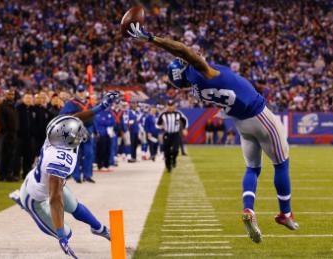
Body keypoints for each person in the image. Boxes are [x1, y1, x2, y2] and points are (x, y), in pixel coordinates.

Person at [127, 23, 298, 243]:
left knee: (253, 169)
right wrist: (152, 39)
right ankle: (285, 213)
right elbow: (184, 50)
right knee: (281, 164)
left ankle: (249, 210)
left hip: (241, 124)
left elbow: (187, 55)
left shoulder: (197, 89)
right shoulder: (203, 71)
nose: (191, 55)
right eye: (183, 60)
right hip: (260, 116)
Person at [9, 91, 120, 258]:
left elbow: (75, 118)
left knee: (74, 206)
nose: (80, 132)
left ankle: (99, 228)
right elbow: (54, 198)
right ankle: (24, 204)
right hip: (35, 197)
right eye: (77, 134)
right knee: (67, 232)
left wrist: (100, 107)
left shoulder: (57, 130)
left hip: (46, 179)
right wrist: (60, 235)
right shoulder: (59, 160)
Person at [60, 85, 96, 183]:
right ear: (76, 92)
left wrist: (95, 131)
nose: (81, 93)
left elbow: (93, 117)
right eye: (79, 91)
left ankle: (87, 175)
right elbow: (62, 115)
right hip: (76, 130)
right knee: (76, 153)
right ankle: (76, 176)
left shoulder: (90, 103)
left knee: (89, 153)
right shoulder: (71, 103)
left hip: (88, 130)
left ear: (85, 92)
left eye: (82, 91)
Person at [156, 100, 188, 172]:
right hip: (167, 134)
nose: (170, 107)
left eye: (171, 105)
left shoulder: (178, 114)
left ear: (174, 106)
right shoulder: (163, 114)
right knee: (166, 152)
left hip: (175, 134)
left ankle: (173, 159)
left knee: (175, 150)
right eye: (169, 106)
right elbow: (158, 124)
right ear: (167, 106)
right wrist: (161, 128)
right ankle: (168, 166)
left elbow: (184, 120)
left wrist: (184, 129)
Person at [0, 89, 19, 182]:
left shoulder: (13, 106)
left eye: (12, 94)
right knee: (4, 155)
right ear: (5, 95)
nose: (11, 96)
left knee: (10, 155)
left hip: (12, 134)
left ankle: (8, 174)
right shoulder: (1, 106)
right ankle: (2, 175)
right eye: (9, 94)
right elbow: (0, 121)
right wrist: (5, 131)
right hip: (5, 134)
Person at [14, 93, 35, 179]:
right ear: (23, 99)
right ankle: (16, 173)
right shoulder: (18, 108)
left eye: (30, 98)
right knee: (17, 156)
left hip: (30, 137)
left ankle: (26, 173)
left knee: (28, 156)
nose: (28, 100)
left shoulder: (33, 109)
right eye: (27, 98)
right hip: (20, 136)